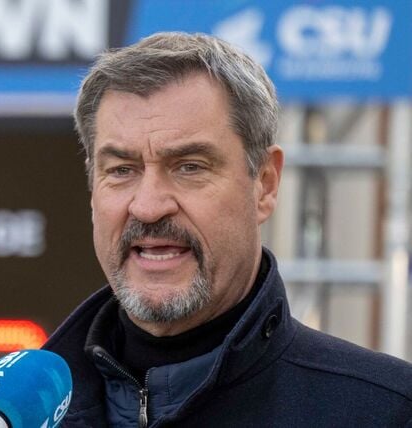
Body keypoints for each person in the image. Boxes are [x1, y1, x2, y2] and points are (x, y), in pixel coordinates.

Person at [42, 32, 412, 427]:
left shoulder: (387, 412)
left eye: (190, 167)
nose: (148, 207)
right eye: (121, 170)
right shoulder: (19, 414)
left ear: (265, 184)